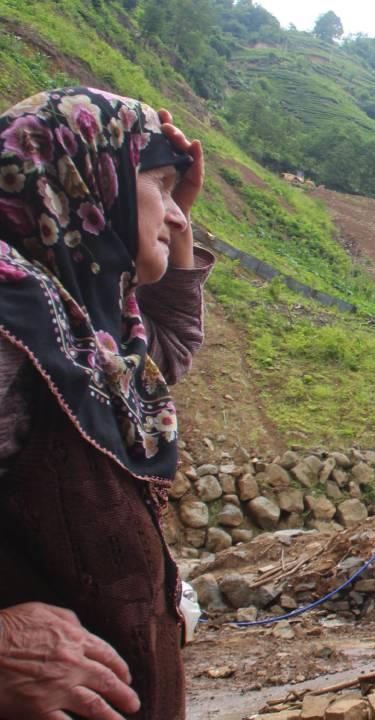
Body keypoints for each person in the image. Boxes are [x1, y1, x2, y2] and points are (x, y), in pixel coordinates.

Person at [0, 87, 212, 719]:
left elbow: (167, 351)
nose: (176, 215)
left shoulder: (79, 326)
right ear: (88, 182)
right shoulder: (11, 329)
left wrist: (172, 226)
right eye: (160, 186)